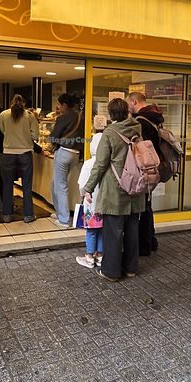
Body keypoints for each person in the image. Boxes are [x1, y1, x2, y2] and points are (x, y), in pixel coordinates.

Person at [84, 97, 145, 281]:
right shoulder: (137, 129)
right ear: (127, 111)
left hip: (115, 190)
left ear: (111, 114)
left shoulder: (110, 133)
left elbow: (100, 164)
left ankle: (111, 271)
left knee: (113, 233)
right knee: (132, 231)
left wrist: (89, 188)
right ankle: (131, 268)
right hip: (136, 186)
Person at [127, 93, 163, 255]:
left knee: (143, 208)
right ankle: (151, 240)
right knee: (147, 206)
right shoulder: (154, 117)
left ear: (134, 101)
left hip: (144, 169)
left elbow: (139, 149)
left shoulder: (141, 122)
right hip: (154, 167)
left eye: (129, 103)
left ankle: (144, 245)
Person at [0, 95, 39, 223]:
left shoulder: (3, 115)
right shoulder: (29, 115)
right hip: (25, 152)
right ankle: (28, 215)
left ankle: (7, 215)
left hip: (8, 152)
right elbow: (35, 135)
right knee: (27, 185)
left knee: (7, 184)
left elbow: (3, 131)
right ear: (24, 103)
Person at [50, 93, 83, 227]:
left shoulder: (63, 117)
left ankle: (63, 219)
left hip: (64, 152)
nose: (58, 107)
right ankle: (59, 212)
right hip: (75, 154)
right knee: (55, 183)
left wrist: (53, 142)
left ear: (64, 105)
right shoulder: (81, 116)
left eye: (58, 104)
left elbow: (53, 137)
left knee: (60, 185)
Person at [76, 132, 104, 269]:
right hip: (103, 204)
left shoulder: (88, 164)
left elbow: (82, 186)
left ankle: (89, 257)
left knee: (91, 230)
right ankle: (100, 256)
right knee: (102, 230)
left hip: (89, 205)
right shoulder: (108, 164)